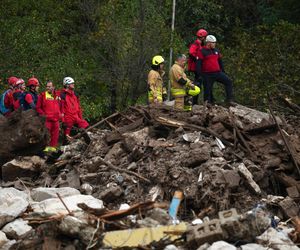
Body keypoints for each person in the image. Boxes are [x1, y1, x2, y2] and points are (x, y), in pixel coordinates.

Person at [198, 35, 233, 104]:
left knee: (228, 82)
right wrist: (200, 75)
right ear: (208, 43)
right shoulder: (202, 51)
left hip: (217, 73)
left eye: (215, 42)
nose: (215, 44)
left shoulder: (216, 51)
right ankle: (207, 103)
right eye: (213, 43)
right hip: (207, 74)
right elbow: (198, 64)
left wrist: (223, 72)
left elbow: (220, 62)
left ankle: (229, 100)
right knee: (207, 90)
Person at [36, 81, 62, 152]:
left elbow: (60, 105)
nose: (48, 88)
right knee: (46, 136)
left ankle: (52, 150)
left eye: (49, 86)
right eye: (47, 86)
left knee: (55, 136)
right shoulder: (42, 95)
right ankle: (44, 151)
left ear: (53, 87)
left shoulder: (57, 95)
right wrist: (44, 115)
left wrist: (60, 114)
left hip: (56, 120)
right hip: (47, 120)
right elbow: (38, 107)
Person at [188, 29, 208, 105]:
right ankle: (194, 102)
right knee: (198, 84)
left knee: (199, 84)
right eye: (205, 37)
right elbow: (191, 52)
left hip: (198, 68)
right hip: (196, 68)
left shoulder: (200, 45)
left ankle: (195, 101)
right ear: (202, 37)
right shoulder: (196, 44)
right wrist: (197, 58)